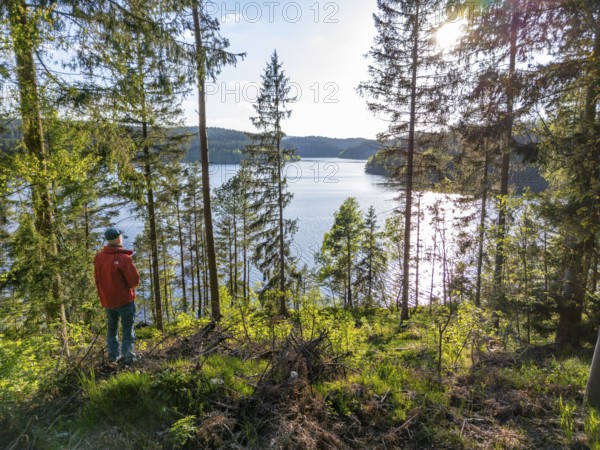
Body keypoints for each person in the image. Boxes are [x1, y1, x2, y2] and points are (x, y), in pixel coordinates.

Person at [94, 227, 140, 364]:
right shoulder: (124, 258)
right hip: (125, 301)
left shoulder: (99, 257)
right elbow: (135, 281)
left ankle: (112, 356)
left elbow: (97, 278)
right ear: (118, 238)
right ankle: (127, 357)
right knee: (128, 328)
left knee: (112, 329)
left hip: (108, 301)